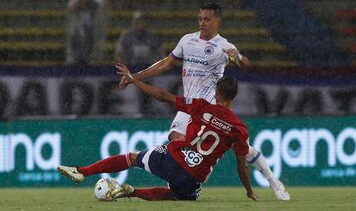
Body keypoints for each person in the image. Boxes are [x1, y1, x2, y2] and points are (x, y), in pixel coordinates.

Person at [118, 3, 290, 200]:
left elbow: (246, 65)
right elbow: (166, 64)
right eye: (200, 19)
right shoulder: (187, 40)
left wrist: (239, 57)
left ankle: (273, 181)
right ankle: (179, 190)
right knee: (176, 141)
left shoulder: (224, 46)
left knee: (241, 149)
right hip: (190, 106)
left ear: (218, 21)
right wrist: (135, 76)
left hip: (209, 109)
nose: (202, 23)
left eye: (207, 19)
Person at [58, 64, 259, 202]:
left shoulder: (201, 106)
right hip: (194, 176)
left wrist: (134, 80)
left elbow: (163, 96)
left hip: (174, 157)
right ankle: (132, 192)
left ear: (216, 92)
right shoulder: (239, 129)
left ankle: (82, 171)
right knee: (177, 195)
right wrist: (249, 191)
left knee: (132, 158)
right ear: (235, 96)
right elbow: (242, 168)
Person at [115, 11, 162, 116]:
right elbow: (120, 52)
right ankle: (136, 113)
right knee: (133, 97)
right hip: (132, 70)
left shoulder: (150, 36)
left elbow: (159, 53)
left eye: (141, 21)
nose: (138, 24)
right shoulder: (127, 35)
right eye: (136, 21)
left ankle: (147, 113)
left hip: (147, 71)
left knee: (148, 94)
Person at [65, 0, 109, 65]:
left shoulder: (94, 2)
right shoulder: (74, 1)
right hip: (76, 35)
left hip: (90, 34)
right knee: (75, 60)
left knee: (89, 60)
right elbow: (70, 9)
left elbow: (105, 3)